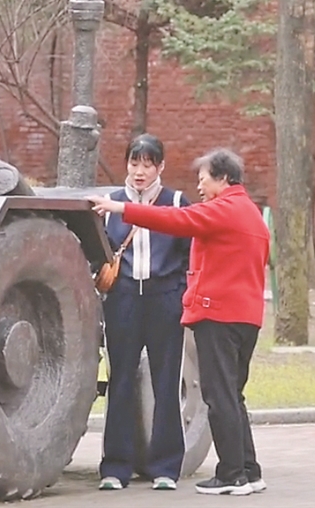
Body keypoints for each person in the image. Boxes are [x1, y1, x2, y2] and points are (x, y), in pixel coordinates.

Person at [88, 148, 270, 496]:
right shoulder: (251, 212)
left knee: (218, 396)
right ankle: (250, 470)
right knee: (233, 395)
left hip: (219, 314)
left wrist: (121, 209)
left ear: (222, 178)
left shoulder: (222, 209)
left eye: (203, 180)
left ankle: (232, 474)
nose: (199, 187)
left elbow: (176, 221)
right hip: (247, 316)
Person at [97, 134, 191, 492]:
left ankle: (165, 467)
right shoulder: (111, 204)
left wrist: (178, 291)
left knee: (166, 382)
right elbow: (100, 251)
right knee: (120, 380)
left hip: (164, 299)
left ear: (160, 167)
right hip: (123, 299)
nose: (140, 171)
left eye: (147, 164)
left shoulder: (176, 202)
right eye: (134, 163)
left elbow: (190, 252)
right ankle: (115, 467)